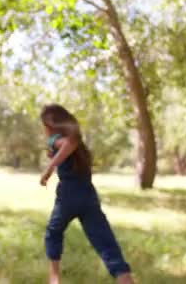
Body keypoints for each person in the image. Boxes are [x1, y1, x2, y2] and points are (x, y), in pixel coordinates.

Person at [39, 104, 134, 284]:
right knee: (104, 239)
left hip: (68, 196)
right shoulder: (78, 146)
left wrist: (49, 169)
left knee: (53, 232)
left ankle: (54, 279)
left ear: (49, 125)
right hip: (88, 196)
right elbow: (71, 144)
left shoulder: (56, 140)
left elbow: (69, 142)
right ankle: (124, 277)